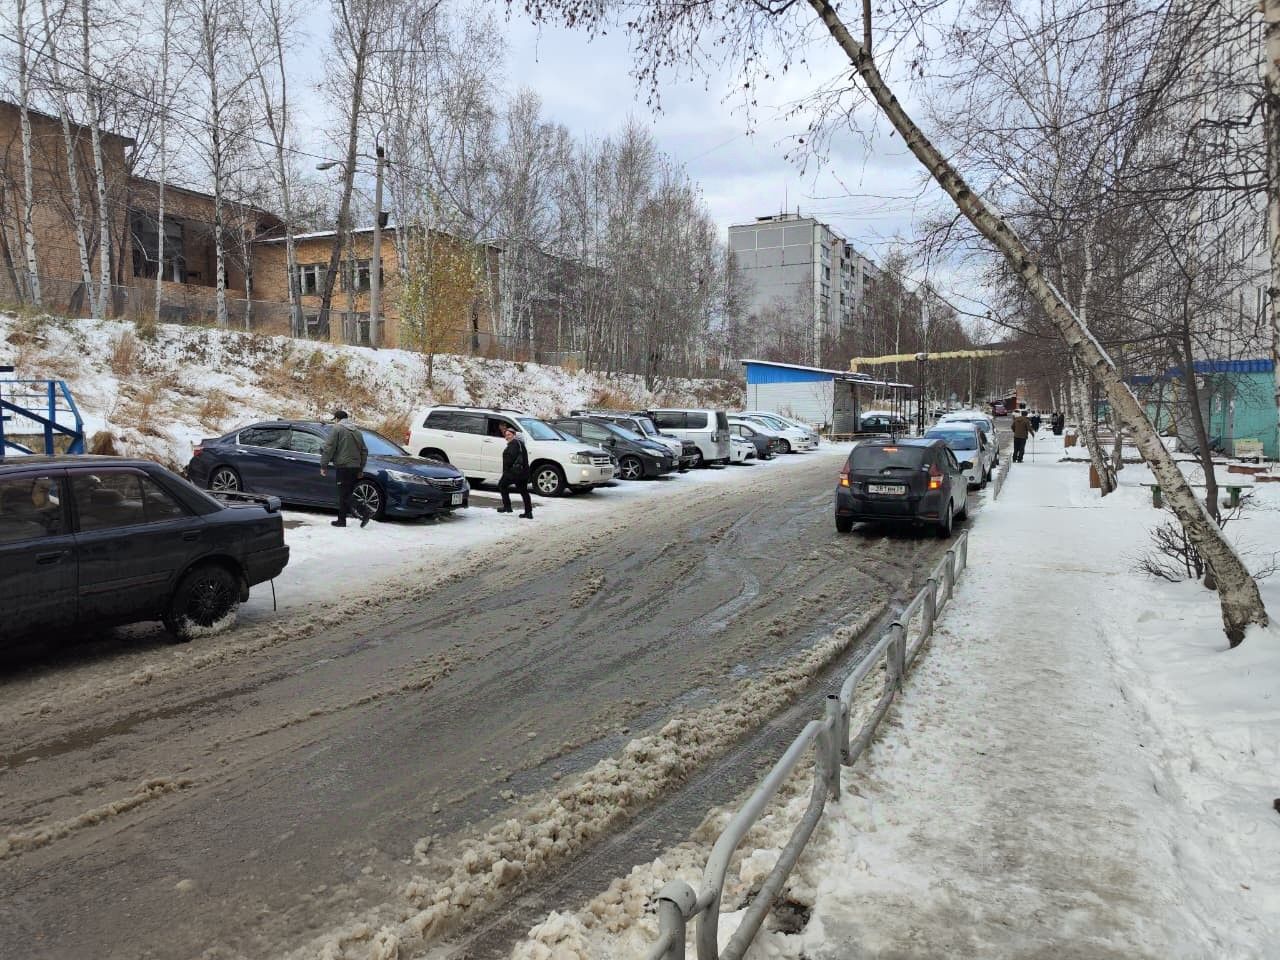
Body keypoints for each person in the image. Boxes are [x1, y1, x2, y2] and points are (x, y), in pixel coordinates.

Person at [319, 409, 370, 527]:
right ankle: (341, 520)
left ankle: (364, 512)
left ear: (337, 419)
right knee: (347, 493)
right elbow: (364, 451)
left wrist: (323, 465)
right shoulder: (357, 431)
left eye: (335, 419)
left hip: (343, 467)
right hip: (355, 467)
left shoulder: (337, 429)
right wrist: (360, 468)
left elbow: (329, 447)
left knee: (344, 494)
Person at [497, 424, 533, 519]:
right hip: (523, 472)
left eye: (509, 434)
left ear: (514, 435)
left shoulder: (514, 444)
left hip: (513, 473)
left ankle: (507, 506)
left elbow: (510, 459)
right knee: (524, 491)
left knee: (502, 485)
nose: (507, 437)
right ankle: (528, 512)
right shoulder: (520, 444)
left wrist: (506, 470)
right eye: (506, 435)